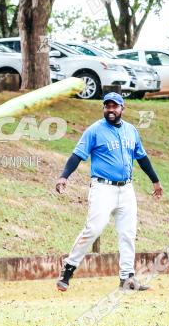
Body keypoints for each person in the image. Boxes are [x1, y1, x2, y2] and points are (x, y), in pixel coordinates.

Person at [55, 92, 163, 291]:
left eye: (115, 106)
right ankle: (68, 269)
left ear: (123, 108)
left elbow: (142, 158)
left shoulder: (131, 131)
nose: (111, 110)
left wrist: (155, 181)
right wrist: (64, 176)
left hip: (126, 188)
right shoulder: (95, 130)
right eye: (107, 106)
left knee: (128, 233)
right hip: (103, 188)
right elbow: (77, 156)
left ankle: (127, 278)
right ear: (103, 108)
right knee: (93, 229)